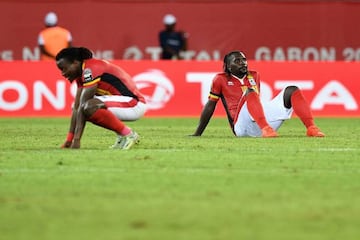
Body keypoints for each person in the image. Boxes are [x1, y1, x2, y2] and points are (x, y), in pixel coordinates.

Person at [192, 50, 325, 138]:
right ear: (228, 66)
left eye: (244, 59)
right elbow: (210, 106)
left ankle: (311, 128)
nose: (243, 63)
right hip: (241, 126)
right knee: (250, 92)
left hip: (259, 122)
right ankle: (266, 129)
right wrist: (198, 133)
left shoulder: (254, 75)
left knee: (291, 90)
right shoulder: (220, 79)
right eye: (237, 61)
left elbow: (255, 101)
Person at [55, 47, 146, 149]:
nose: (63, 73)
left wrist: (76, 141)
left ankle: (128, 134)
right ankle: (123, 134)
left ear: (75, 63)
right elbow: (77, 108)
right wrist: (69, 139)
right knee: (78, 107)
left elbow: (84, 105)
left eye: (64, 68)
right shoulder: (81, 75)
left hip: (134, 104)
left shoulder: (90, 69)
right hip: (121, 104)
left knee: (89, 106)